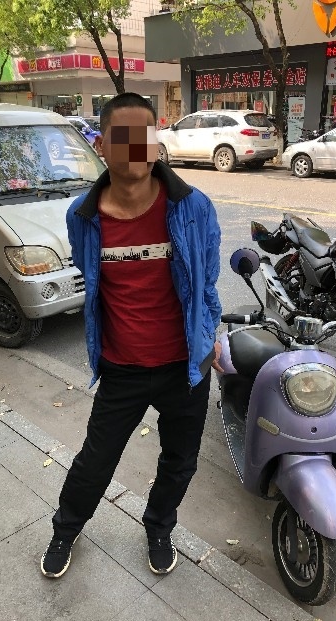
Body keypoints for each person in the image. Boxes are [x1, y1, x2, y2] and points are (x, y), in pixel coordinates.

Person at [41, 92, 222, 578]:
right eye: (123, 137)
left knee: (180, 461)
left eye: (145, 135)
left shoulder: (193, 207)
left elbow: (207, 283)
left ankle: (159, 527)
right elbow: (93, 282)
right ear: (101, 145)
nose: (136, 147)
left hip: (185, 368)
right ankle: (66, 529)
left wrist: (208, 336)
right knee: (95, 461)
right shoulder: (83, 217)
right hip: (122, 369)